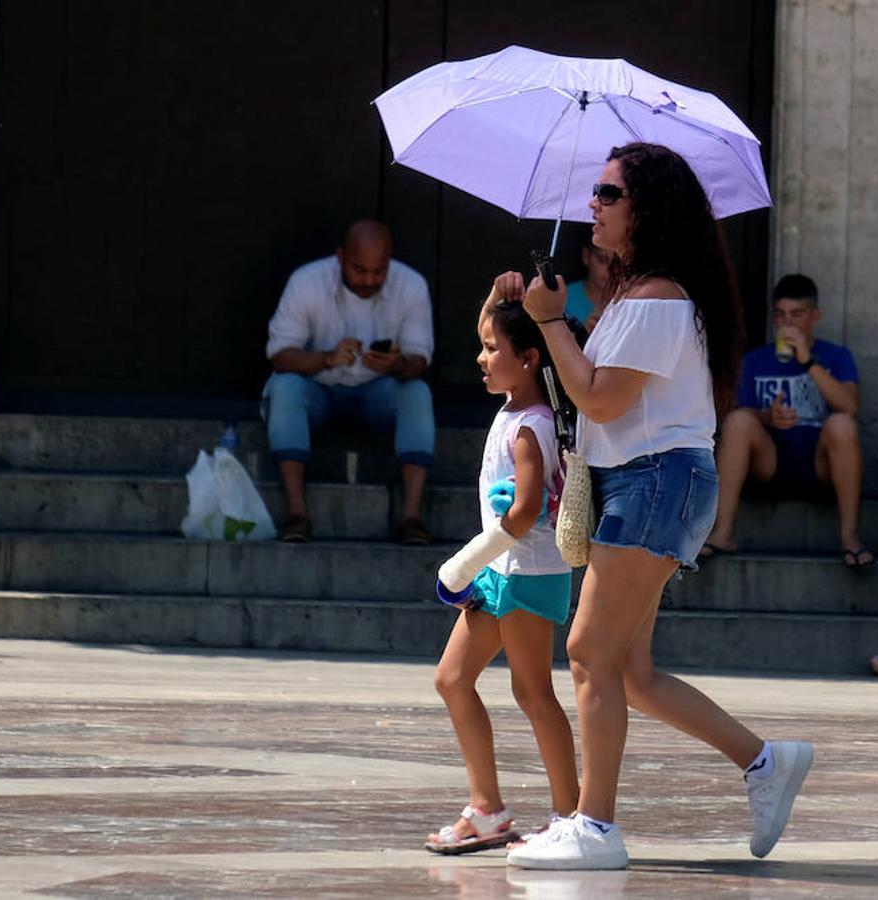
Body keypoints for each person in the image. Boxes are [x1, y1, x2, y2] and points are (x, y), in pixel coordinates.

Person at [507, 143, 813, 870]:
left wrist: (550, 324)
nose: (594, 205)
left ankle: (595, 827)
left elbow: (600, 396)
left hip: (654, 482)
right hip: (642, 481)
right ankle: (764, 760)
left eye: (608, 194)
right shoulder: (638, 296)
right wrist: (533, 316)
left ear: (645, 210)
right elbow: (595, 389)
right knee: (631, 673)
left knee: (586, 652)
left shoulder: (658, 298)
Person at [424, 279, 579, 855]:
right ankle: (486, 810)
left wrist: (459, 569)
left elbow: (525, 512)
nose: (481, 357)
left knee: (533, 691)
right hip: (500, 571)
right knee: (451, 678)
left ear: (529, 359)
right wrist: (492, 294)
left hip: (528, 573)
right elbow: (495, 328)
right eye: (484, 346)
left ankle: (571, 815)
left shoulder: (531, 426)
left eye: (494, 350)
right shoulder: (516, 406)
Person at [262, 220, 435, 545]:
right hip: (319, 388)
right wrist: (325, 358)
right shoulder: (306, 282)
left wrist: (397, 363)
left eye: (378, 271)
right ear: (340, 257)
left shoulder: (411, 286)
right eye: (359, 270)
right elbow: (280, 356)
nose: (369, 280)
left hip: (378, 392)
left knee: (417, 392)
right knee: (284, 386)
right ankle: (296, 514)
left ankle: (411, 518)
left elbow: (420, 359)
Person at [702, 273, 873, 567]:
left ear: (814, 316)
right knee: (739, 422)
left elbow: (850, 406)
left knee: (842, 425)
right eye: (780, 315)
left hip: (820, 464)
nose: (787, 323)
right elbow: (735, 417)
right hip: (772, 464)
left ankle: (850, 537)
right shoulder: (756, 360)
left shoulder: (835, 356)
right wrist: (768, 416)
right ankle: (723, 532)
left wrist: (807, 360)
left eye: (797, 314)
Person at [562, 235, 613, 329]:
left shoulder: (631, 301)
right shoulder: (561, 299)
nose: (610, 269)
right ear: (586, 256)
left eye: (617, 263)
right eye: (602, 260)